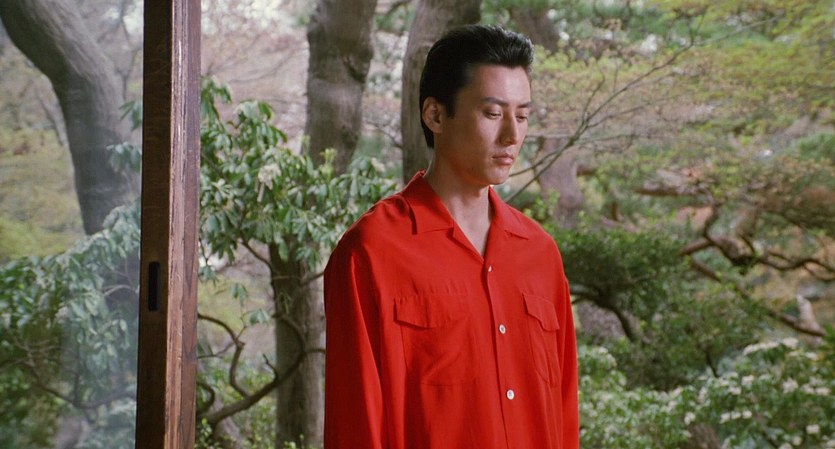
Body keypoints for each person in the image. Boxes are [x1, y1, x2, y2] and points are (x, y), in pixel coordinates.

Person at [323, 24, 579, 449]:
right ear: (435, 115)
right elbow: (355, 424)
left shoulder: (540, 253)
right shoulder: (372, 251)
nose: (512, 136)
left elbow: (564, 411)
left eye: (522, 116)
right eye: (493, 114)